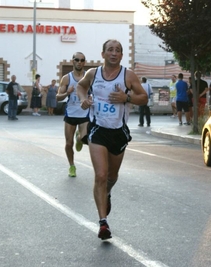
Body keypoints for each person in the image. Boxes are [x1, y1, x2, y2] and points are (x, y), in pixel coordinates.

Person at [77, 39, 147, 240]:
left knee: (111, 177)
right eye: (110, 50)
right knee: (100, 174)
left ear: (121, 56)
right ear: (103, 54)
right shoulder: (93, 74)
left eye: (117, 50)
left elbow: (143, 98)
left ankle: (106, 193)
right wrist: (84, 99)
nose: (114, 53)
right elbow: (81, 87)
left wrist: (127, 98)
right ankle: (103, 223)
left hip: (118, 132)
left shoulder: (128, 75)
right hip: (97, 129)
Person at [57, 52, 90, 178]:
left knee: (84, 138)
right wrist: (67, 93)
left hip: (84, 113)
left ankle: (79, 137)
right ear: (73, 61)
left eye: (82, 60)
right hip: (70, 113)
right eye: (77, 60)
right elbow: (58, 97)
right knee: (68, 144)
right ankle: (71, 166)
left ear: (84, 62)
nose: (79, 62)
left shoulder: (88, 77)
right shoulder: (66, 78)